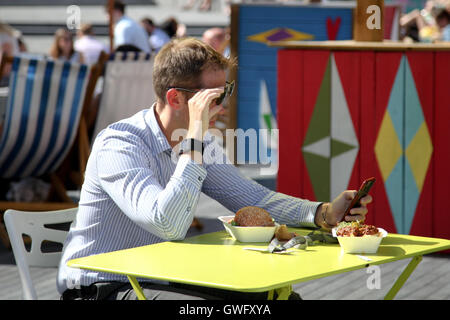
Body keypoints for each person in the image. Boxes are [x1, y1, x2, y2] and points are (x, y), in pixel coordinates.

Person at [57, 37, 372, 300]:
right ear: (175, 98)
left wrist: (323, 213)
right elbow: (168, 224)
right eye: (215, 97)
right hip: (99, 286)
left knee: (278, 296)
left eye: (228, 91)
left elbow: (252, 197)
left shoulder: (198, 143)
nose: (224, 106)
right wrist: (194, 136)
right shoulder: (120, 144)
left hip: (154, 277)